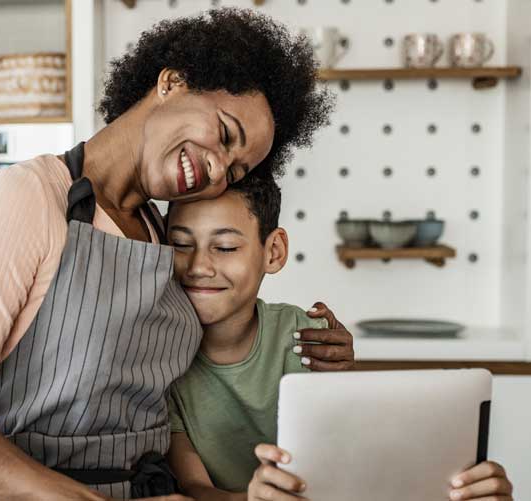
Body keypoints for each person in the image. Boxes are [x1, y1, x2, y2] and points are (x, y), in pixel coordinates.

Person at [0, 8, 348, 501]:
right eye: (224, 134)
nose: (218, 169)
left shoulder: (164, 235)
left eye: (236, 171)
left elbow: (216, 352)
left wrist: (312, 349)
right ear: (173, 81)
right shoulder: (25, 199)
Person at [163, 175, 514, 501]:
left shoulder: (303, 335)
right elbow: (194, 488)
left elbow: (348, 464)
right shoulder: (158, 353)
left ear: (274, 252)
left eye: (224, 247)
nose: (198, 266)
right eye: (180, 244)